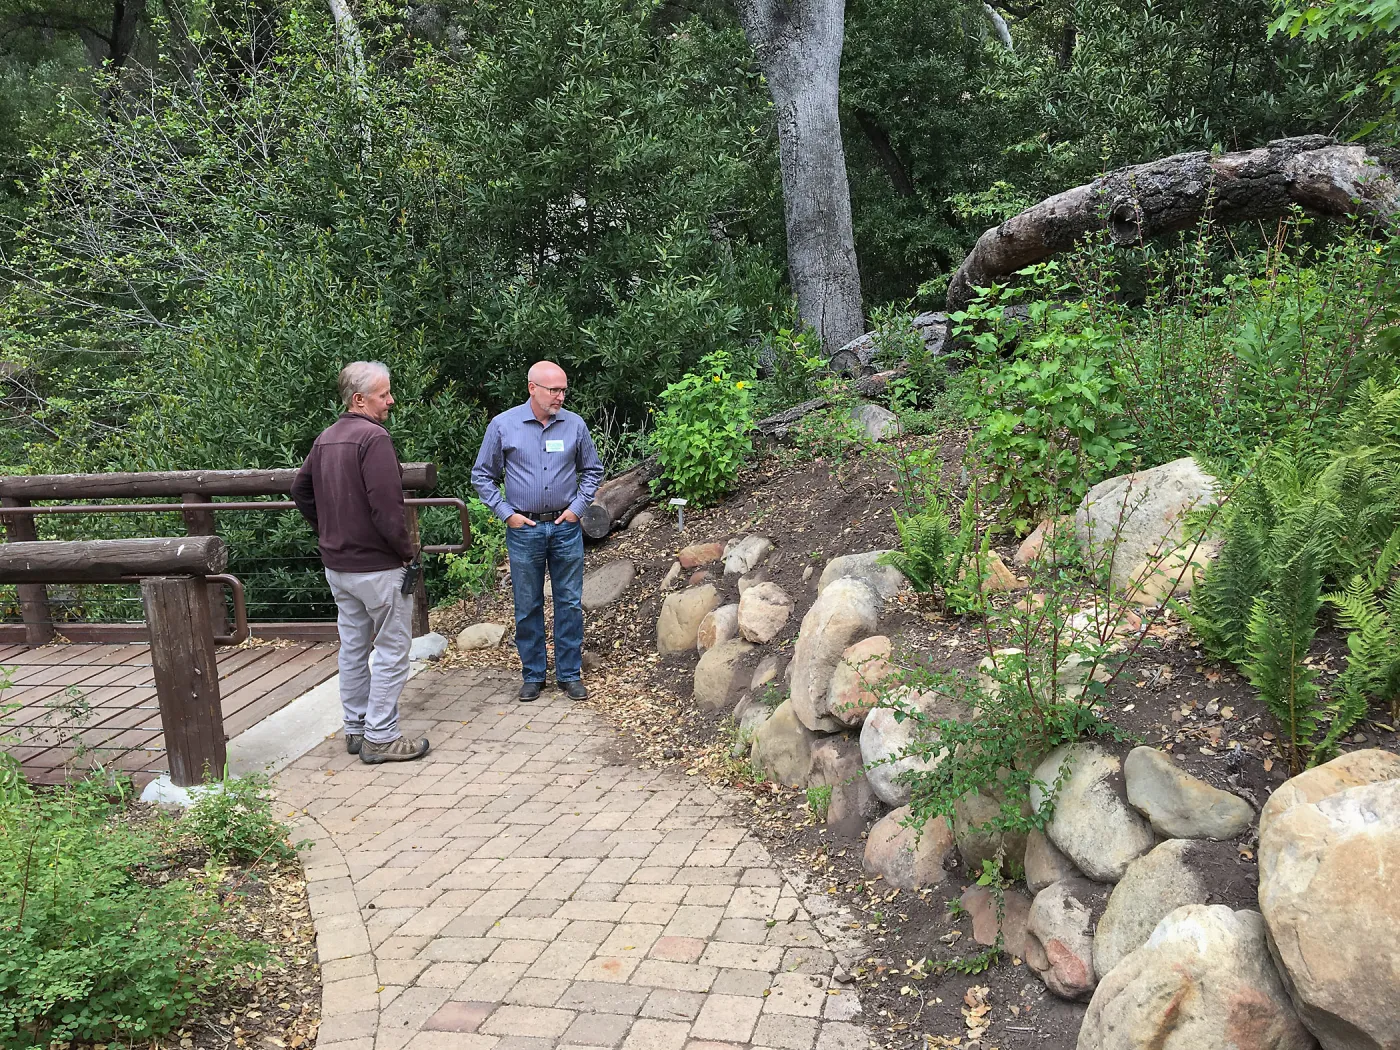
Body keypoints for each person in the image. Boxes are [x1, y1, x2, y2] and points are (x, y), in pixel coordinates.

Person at [291, 361, 431, 764]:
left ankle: (357, 728)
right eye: (384, 394)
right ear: (359, 399)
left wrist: (327, 529)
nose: (390, 401)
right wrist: (405, 551)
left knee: (353, 647)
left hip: (338, 566)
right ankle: (381, 736)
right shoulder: (374, 439)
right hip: (377, 567)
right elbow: (388, 508)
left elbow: (299, 489)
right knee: (391, 648)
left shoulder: (326, 438)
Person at [472, 361, 604, 702]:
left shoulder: (574, 425)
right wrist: (506, 514)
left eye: (563, 390)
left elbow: (592, 470)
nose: (560, 396)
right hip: (524, 528)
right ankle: (533, 675)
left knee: (569, 603)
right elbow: (482, 476)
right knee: (527, 605)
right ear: (532, 388)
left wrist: (577, 509)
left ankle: (569, 674)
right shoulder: (504, 426)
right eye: (553, 390)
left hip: (564, 527)